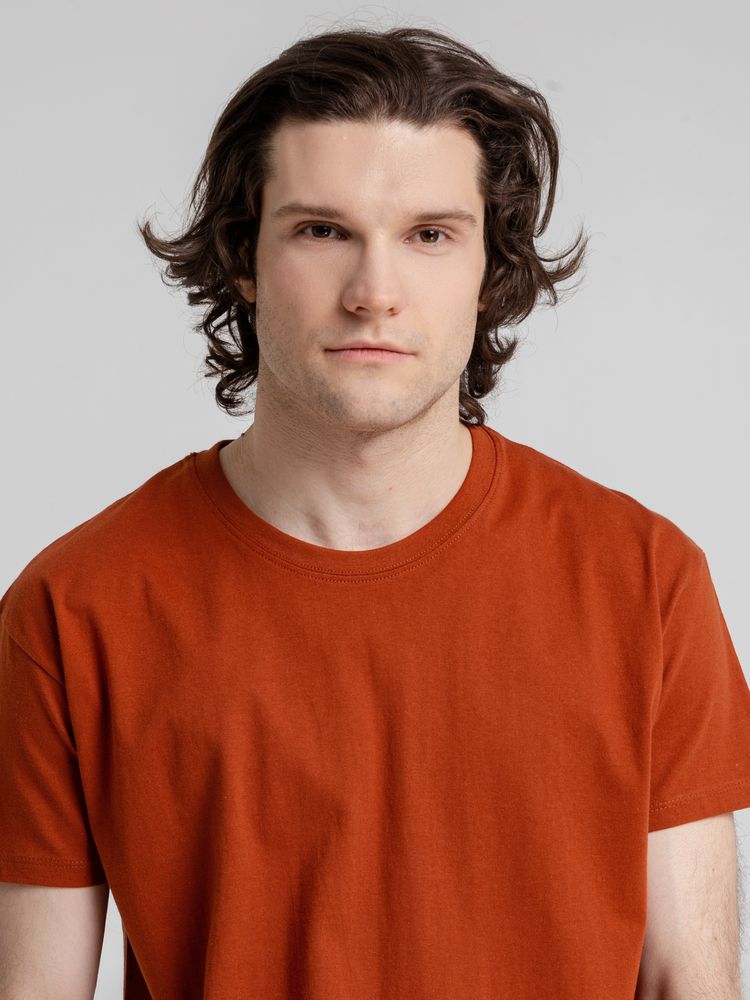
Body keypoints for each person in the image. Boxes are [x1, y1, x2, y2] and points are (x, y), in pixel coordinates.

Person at [1, 23, 749, 1000]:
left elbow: (692, 981)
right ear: (242, 256)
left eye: (430, 235)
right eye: (323, 230)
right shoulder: (75, 607)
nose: (373, 293)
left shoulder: (646, 582)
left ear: (489, 270)